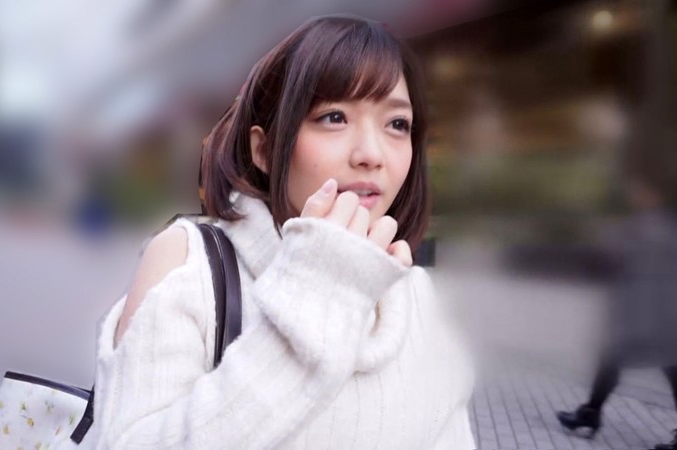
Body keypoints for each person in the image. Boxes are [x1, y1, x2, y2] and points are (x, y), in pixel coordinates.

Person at [87, 14, 475, 449]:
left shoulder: (420, 299)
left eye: (397, 124)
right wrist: (318, 294)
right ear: (265, 150)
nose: (372, 154)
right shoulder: (187, 264)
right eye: (334, 117)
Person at [557, 173, 677, 450]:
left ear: (654, 196)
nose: (634, 197)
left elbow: (611, 259)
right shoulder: (661, 226)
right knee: (615, 360)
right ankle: (590, 413)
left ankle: (590, 414)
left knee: (662, 366)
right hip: (653, 313)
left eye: (640, 192)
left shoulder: (649, 227)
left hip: (651, 314)